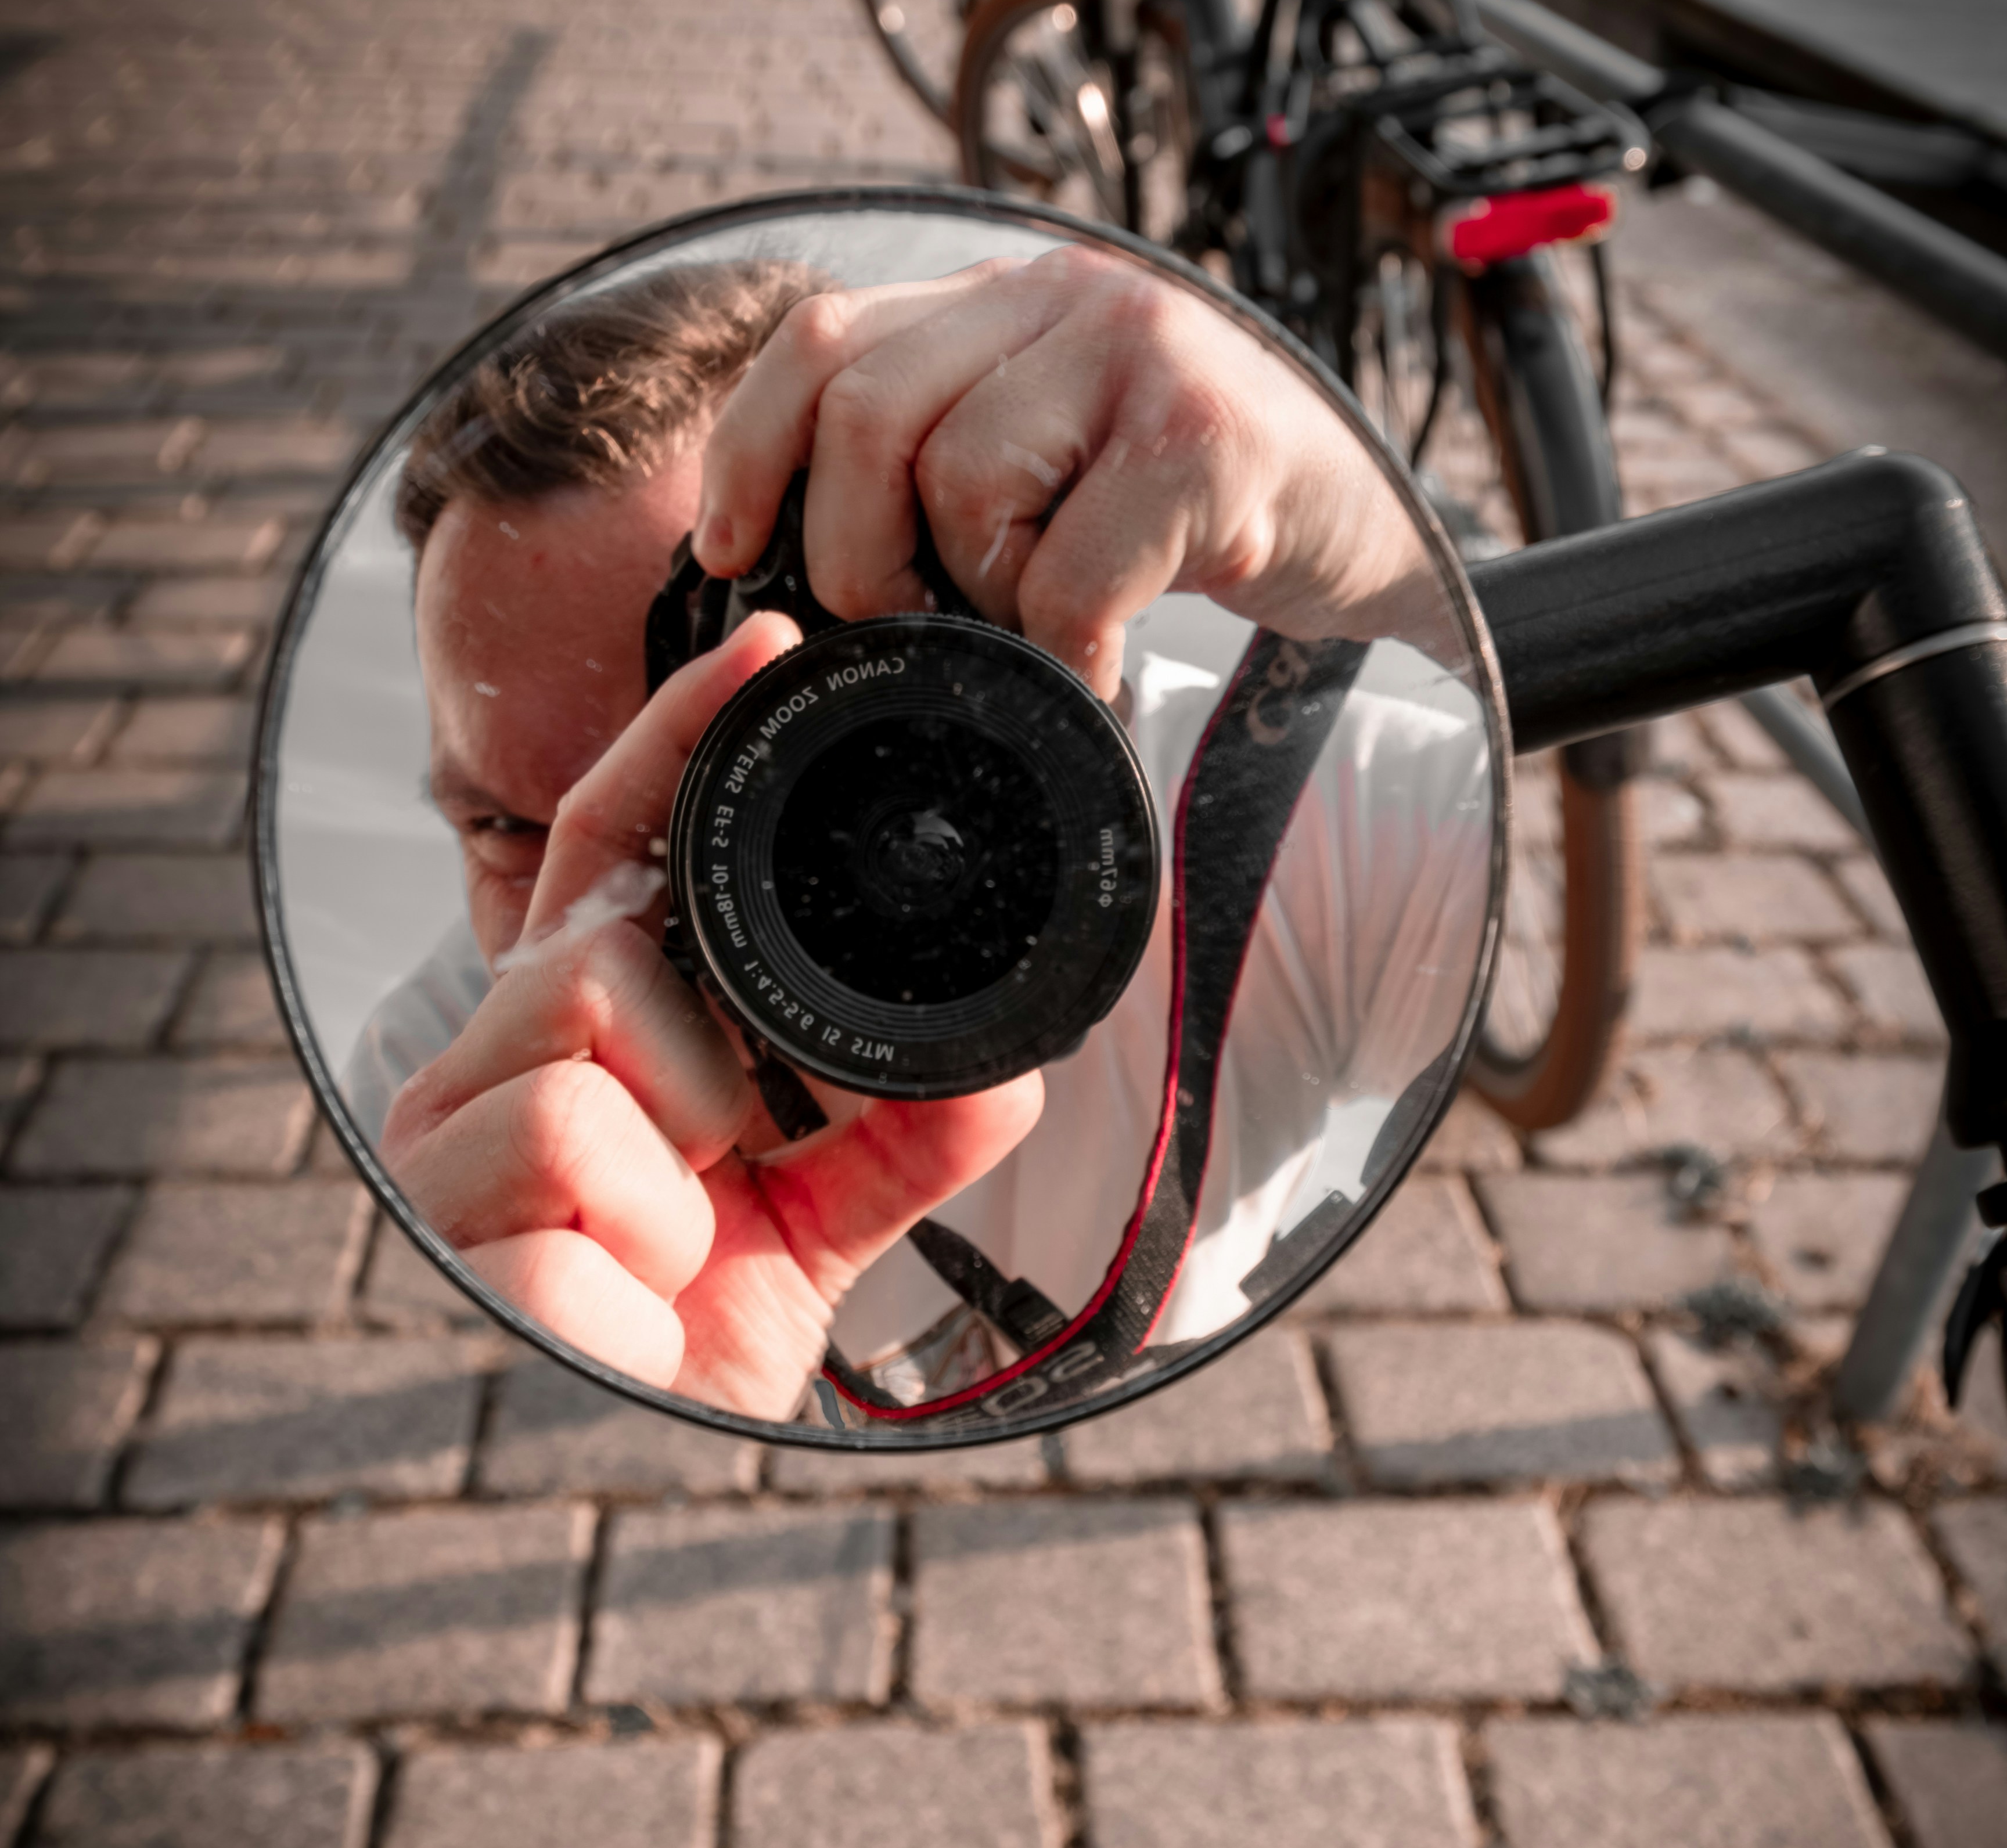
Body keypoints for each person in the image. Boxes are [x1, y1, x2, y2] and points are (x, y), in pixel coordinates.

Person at [346, 241, 1492, 1419]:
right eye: (505, 828)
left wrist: (1397, 561)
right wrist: (615, 1425)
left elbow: (1622, 920)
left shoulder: (1273, 826)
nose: (616, 908)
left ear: (942, 651)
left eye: (750, 774)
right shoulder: (453, 1092)